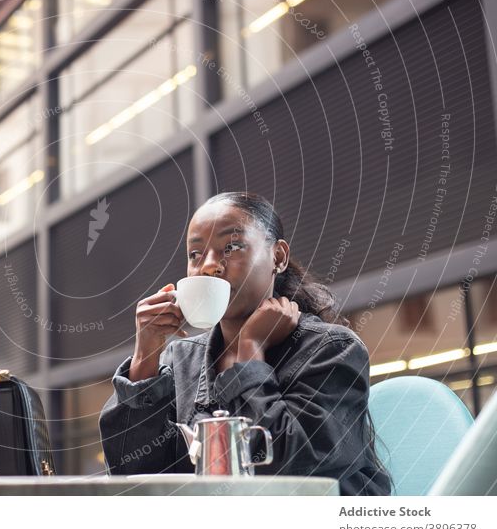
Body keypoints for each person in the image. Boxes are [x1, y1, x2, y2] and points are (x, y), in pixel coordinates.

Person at [99, 191, 392, 495]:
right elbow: (132, 478)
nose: (208, 266)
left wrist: (250, 351)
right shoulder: (180, 358)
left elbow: (289, 475)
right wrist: (146, 355)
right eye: (195, 254)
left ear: (278, 257)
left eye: (232, 247)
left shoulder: (331, 349)